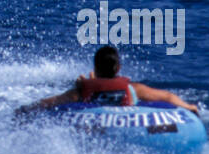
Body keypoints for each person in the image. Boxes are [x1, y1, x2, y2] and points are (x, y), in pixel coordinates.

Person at [14, 45, 199, 117]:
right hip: (134, 124)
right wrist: (188, 107)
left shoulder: (82, 91)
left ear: (95, 69)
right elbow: (166, 96)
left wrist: (25, 110)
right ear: (118, 69)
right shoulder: (132, 88)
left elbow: (52, 102)